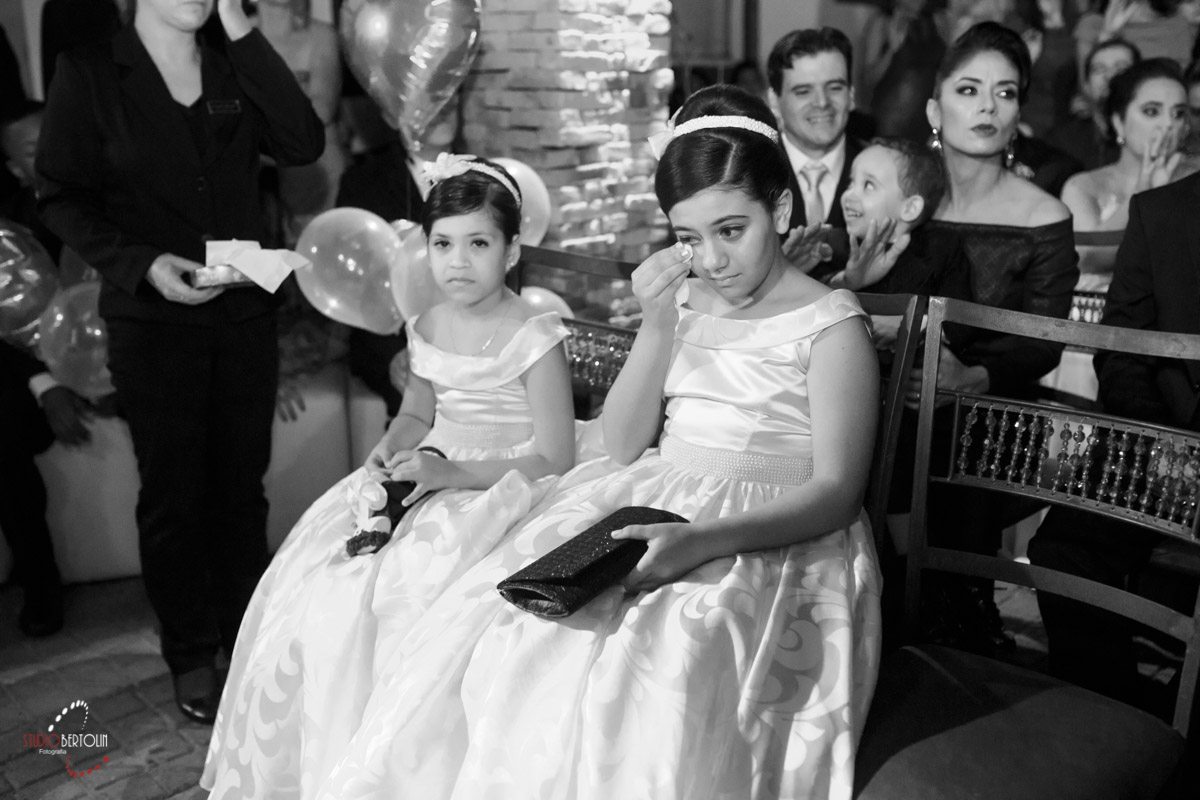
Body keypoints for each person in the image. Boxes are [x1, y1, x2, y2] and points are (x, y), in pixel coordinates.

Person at [275, 84, 883, 800]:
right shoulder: (684, 303)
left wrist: (704, 540)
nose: (713, 259)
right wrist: (658, 323)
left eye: (731, 230)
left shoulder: (830, 325)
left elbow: (837, 493)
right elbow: (622, 443)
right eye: (690, 238)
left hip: (775, 529)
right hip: (662, 493)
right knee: (513, 633)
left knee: (662, 665)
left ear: (779, 211)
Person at [202, 154, 577, 795]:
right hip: (431, 467)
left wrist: (450, 472)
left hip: (504, 481)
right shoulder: (424, 325)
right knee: (331, 589)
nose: (458, 262)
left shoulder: (535, 334)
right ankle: (342, 749)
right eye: (443, 244)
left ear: (512, 251)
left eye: (479, 244)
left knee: (427, 602)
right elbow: (417, 412)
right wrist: (388, 448)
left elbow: (555, 457)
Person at [35, 0, 324, 724]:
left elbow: (303, 141)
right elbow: (60, 198)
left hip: (243, 316)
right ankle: (191, 652)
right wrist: (140, 264)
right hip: (152, 323)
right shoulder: (89, 72)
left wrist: (240, 27)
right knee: (174, 498)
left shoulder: (234, 61)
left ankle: (247, 639)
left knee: (241, 492)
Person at [887, 21, 1079, 654]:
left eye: (1005, 93)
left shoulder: (1044, 214)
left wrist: (970, 377)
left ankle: (953, 623)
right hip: (895, 393)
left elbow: (1043, 343)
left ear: (1019, 112)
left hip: (995, 406)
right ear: (935, 109)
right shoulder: (899, 203)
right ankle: (881, 606)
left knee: (950, 427)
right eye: (969, 90)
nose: (988, 107)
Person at [1028, 170, 1200, 712]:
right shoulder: (1161, 210)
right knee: (1062, 551)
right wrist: (1168, 444)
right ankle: (1112, 719)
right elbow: (1121, 350)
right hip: (1166, 432)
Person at [1060, 58, 1188, 282]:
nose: (1168, 124)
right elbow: (1085, 258)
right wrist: (1141, 193)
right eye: (1152, 111)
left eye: (1178, 113)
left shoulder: (1192, 182)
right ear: (1119, 122)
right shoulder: (1083, 186)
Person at [767, 27, 861, 280]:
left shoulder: (886, 168)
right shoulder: (746, 173)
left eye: (835, 87)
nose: (822, 102)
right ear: (774, 101)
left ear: (851, 95)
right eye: (803, 91)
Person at [861, 0, 949, 143]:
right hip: (890, 124)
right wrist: (892, 50)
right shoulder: (882, 22)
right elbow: (868, 79)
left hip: (928, 123)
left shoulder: (938, 20)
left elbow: (947, 70)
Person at [1047, 36, 1142, 169]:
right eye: (1099, 69)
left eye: (1121, 68)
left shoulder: (1153, 136)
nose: (1109, 76)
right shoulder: (1062, 142)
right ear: (1086, 85)